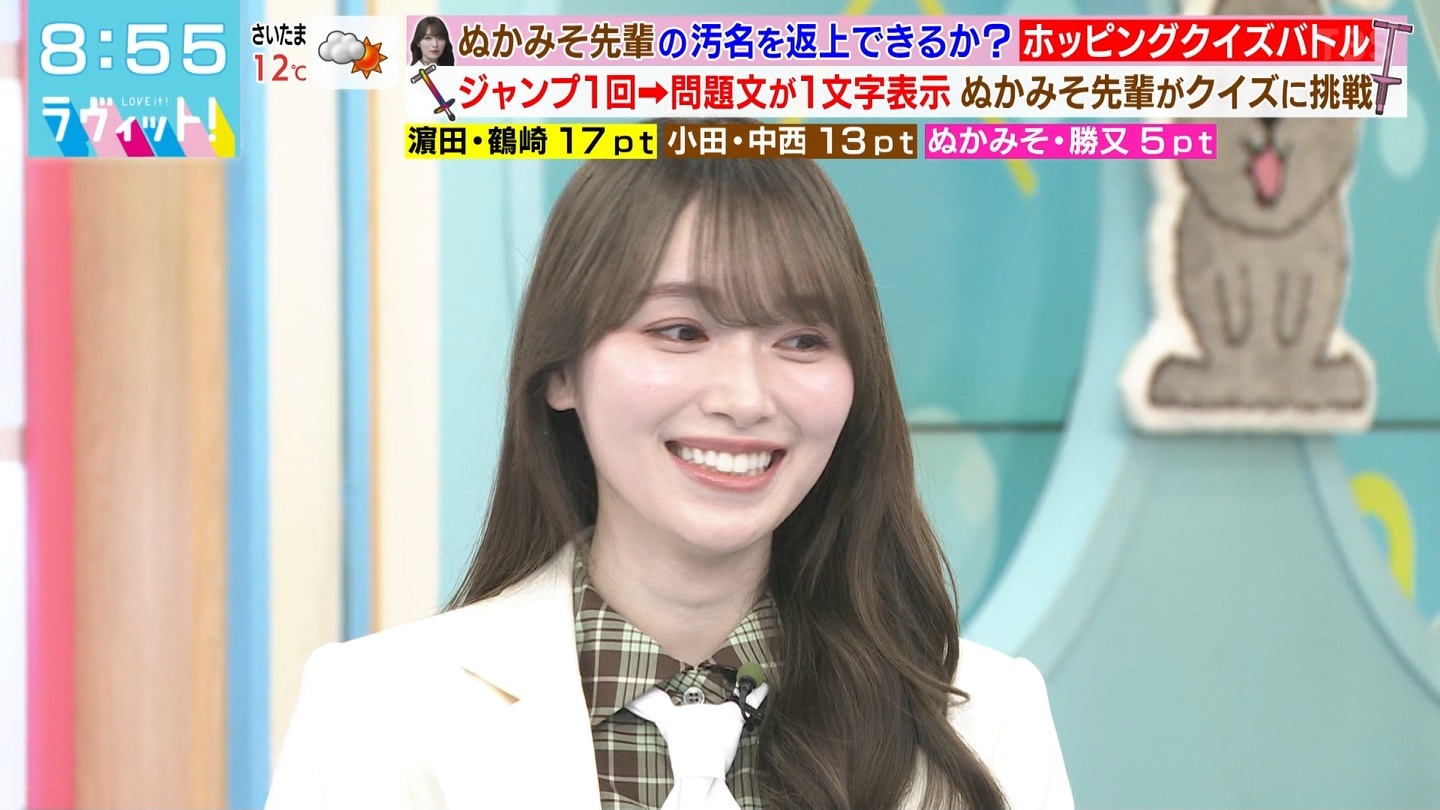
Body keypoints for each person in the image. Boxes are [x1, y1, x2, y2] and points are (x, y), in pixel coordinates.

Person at [264, 129, 1074, 810]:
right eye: (681, 332)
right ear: (561, 370)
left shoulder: (987, 719)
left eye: (801, 341)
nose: (745, 399)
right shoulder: (378, 712)